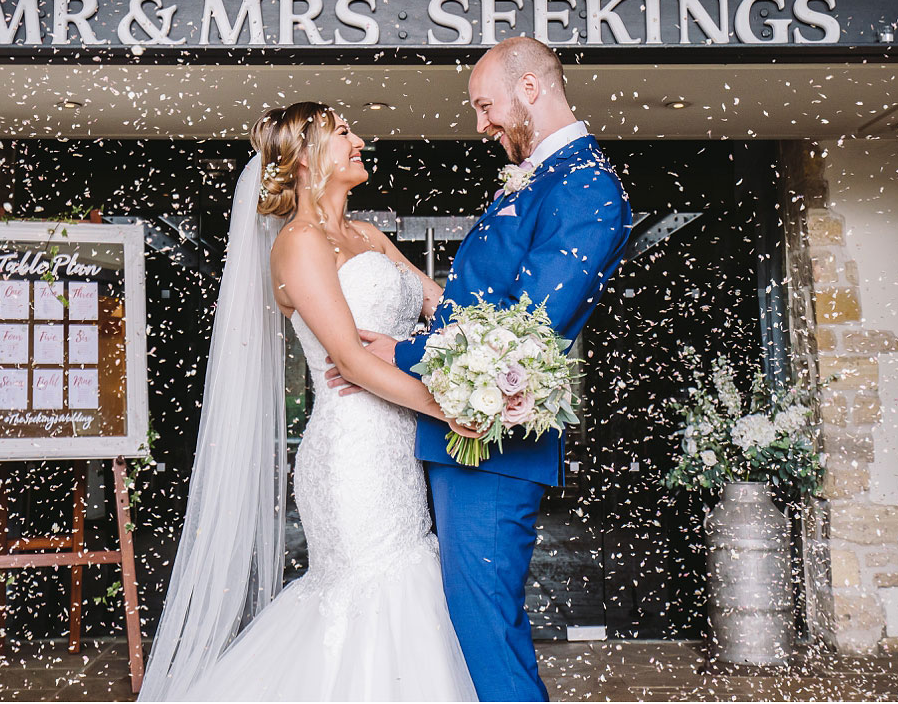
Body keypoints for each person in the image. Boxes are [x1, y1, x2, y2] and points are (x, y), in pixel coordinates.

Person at [138, 102, 479, 701]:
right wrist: (447, 408)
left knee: (406, 588)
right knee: (370, 592)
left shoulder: (370, 235)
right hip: (351, 452)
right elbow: (347, 360)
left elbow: (445, 310)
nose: (360, 140)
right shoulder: (297, 244)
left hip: (398, 449)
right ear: (304, 157)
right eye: (344, 133)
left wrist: (475, 349)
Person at [329, 36, 633, 700]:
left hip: (491, 446)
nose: (481, 124)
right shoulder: (546, 176)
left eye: (485, 105)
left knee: (485, 625)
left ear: (531, 89)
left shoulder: (587, 187)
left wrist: (401, 354)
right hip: (461, 436)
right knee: (469, 622)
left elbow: (527, 330)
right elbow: (482, 305)